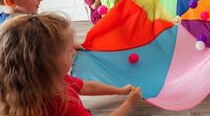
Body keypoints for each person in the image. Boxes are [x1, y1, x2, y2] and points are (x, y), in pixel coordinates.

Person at [0, 12, 142, 115]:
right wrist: (129, 104)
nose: (74, 53)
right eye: (69, 51)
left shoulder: (47, 79)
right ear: (47, 63)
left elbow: (86, 86)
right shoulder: (63, 106)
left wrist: (120, 91)